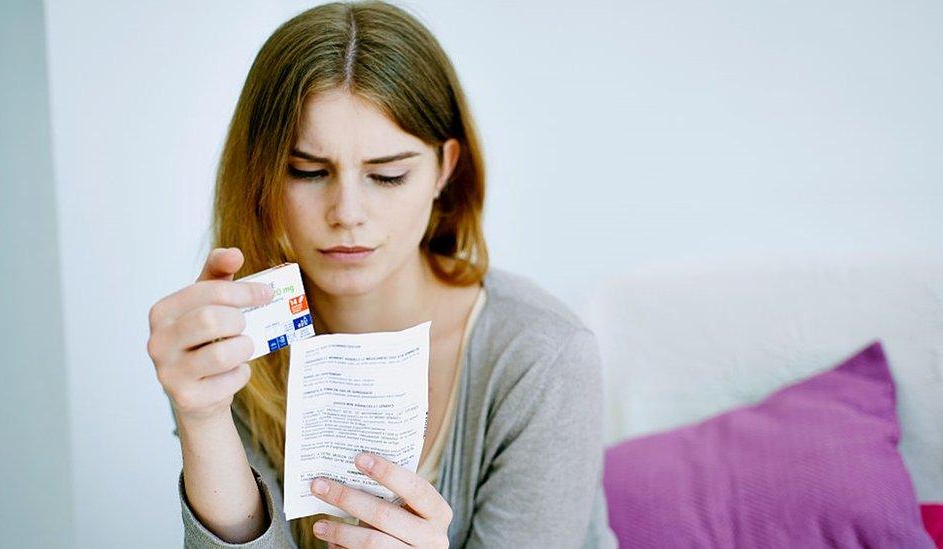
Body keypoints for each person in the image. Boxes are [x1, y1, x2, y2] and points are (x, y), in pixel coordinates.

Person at [145, 2, 617, 547]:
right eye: (309, 171)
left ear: (444, 168)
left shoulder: (542, 358)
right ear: (263, 174)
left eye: (387, 176)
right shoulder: (232, 343)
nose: (347, 213)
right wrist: (202, 417)